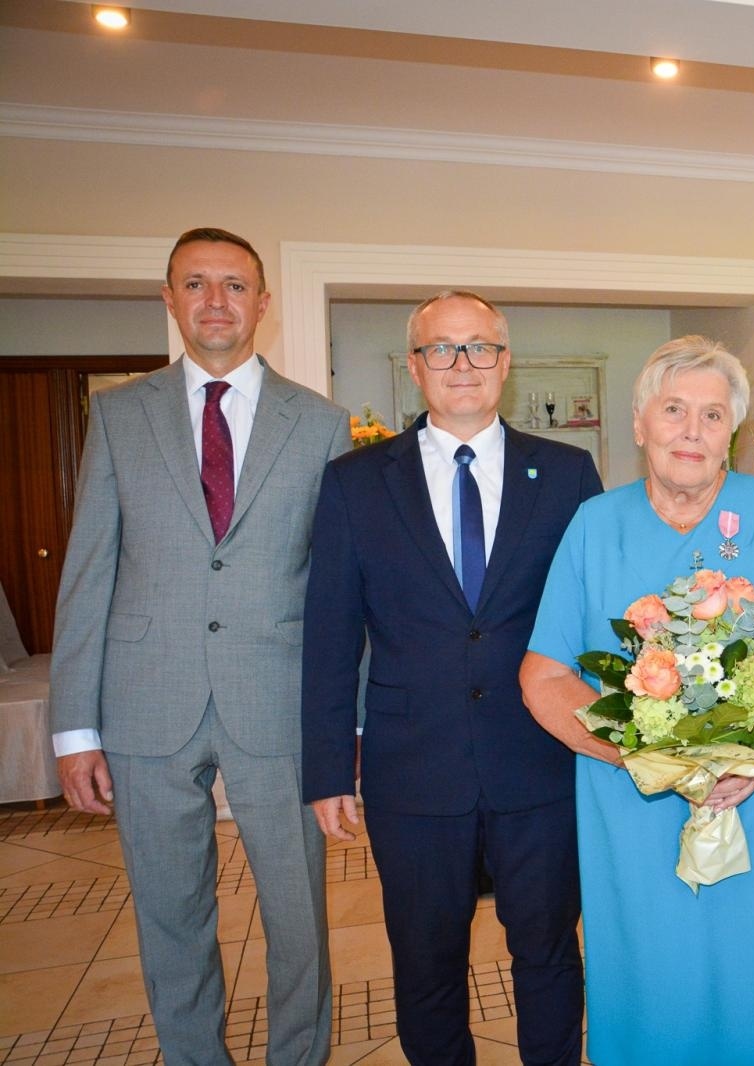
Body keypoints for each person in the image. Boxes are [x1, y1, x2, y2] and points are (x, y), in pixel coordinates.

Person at [50, 227, 346, 1065]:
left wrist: (344, 720)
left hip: (278, 702)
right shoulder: (117, 415)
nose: (216, 301)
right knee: (169, 914)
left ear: (263, 302)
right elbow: (88, 573)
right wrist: (76, 729)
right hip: (145, 702)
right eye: (196, 284)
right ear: (170, 299)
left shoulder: (320, 423)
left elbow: (335, 588)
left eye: (234, 285)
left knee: (298, 919)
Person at [520, 336, 754, 1065]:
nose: (691, 430)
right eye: (673, 410)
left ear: (731, 433)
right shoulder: (594, 525)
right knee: (652, 984)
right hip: (634, 804)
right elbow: (543, 676)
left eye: (711, 414)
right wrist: (645, 758)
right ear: (640, 425)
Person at [301, 291, 601, 1065]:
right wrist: (329, 768)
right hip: (412, 768)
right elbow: (331, 635)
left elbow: (600, 625)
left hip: (539, 762)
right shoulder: (356, 482)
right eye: (442, 349)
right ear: (415, 366)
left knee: (548, 953)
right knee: (428, 965)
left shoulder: (567, 474)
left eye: (478, 348)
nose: (461, 365)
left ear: (505, 362)